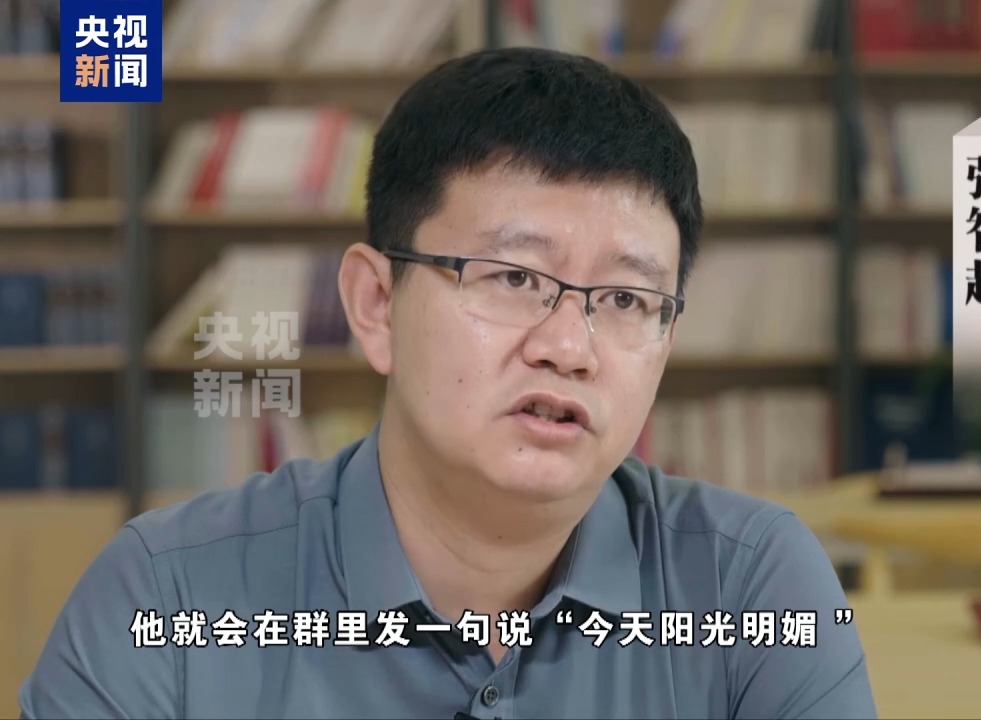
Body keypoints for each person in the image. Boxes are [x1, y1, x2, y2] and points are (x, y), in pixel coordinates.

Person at [20, 47, 876, 719]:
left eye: (625, 299)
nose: (569, 347)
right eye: (514, 277)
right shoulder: (164, 597)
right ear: (375, 305)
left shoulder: (752, 585)